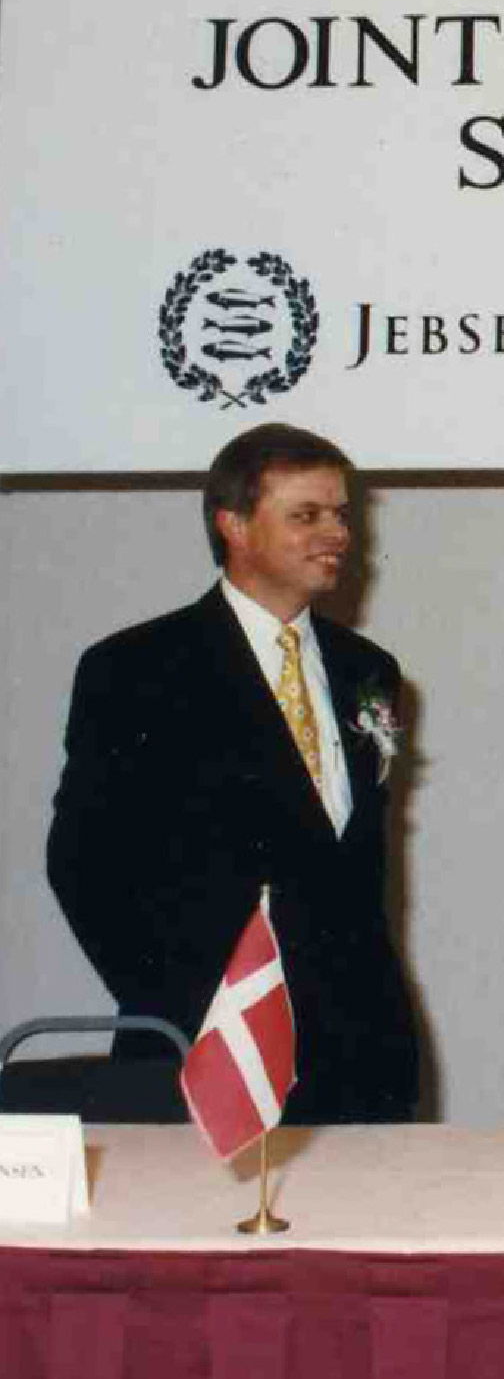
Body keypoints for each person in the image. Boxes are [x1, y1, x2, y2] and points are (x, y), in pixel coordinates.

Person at [47, 423, 421, 1122]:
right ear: (235, 526)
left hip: (363, 1053)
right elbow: (82, 865)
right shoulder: (136, 668)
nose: (337, 533)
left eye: (342, 514)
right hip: (210, 1046)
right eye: (306, 515)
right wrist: (186, 1005)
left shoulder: (368, 670)